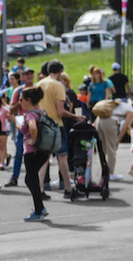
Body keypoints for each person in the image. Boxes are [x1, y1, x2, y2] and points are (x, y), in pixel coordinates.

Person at [36, 60, 82, 197]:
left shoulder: (39, 84)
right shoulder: (58, 86)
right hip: (56, 125)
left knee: (44, 158)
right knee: (62, 157)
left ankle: (40, 189)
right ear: (60, 72)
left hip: (42, 124)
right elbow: (61, 111)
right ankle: (68, 188)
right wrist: (75, 116)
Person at [19, 86, 50, 222]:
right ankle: (40, 207)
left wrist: (33, 139)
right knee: (31, 179)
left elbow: (32, 126)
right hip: (44, 150)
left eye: (21, 99)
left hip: (32, 151)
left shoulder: (30, 113)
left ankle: (38, 211)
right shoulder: (41, 111)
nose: (20, 102)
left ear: (28, 100)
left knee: (31, 179)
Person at [6, 67, 35, 187]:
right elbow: (11, 110)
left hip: (36, 122)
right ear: (22, 77)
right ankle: (14, 177)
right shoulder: (18, 91)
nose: (29, 76)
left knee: (36, 153)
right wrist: (20, 101)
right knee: (19, 152)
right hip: (23, 122)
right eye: (26, 74)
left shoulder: (37, 89)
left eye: (31, 74)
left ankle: (36, 178)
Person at [97, 96, 133, 181]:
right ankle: (111, 172)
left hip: (100, 121)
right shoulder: (131, 111)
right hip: (110, 122)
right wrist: (118, 140)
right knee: (112, 148)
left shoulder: (121, 105)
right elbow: (125, 127)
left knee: (102, 148)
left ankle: (100, 171)